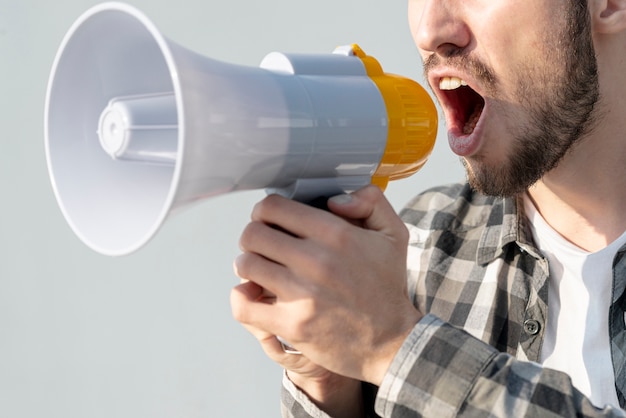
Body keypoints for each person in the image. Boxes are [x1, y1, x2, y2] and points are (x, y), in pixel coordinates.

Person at [230, 0, 626, 416]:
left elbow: (392, 344)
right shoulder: (417, 245)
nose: (429, 30)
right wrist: (330, 382)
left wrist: (393, 347)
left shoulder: (393, 306)